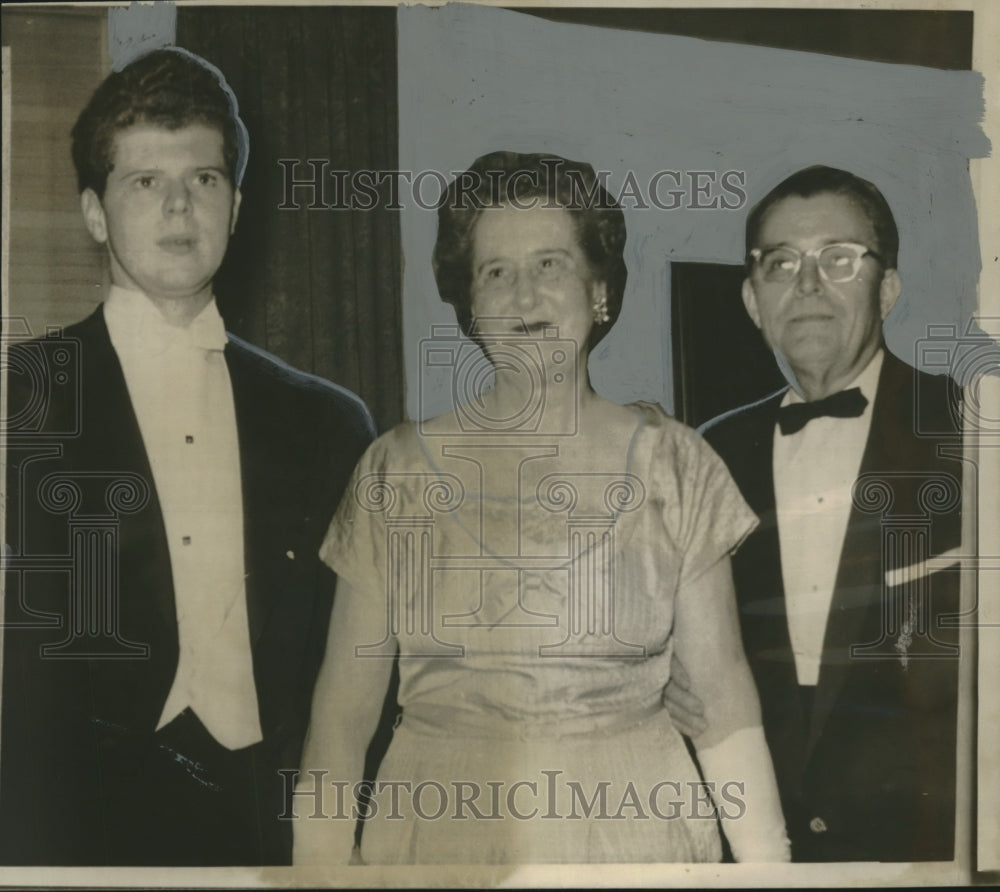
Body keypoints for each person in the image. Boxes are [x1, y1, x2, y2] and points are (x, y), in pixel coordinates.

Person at [292, 152, 789, 865]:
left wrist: (771, 873)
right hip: (436, 836)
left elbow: (724, 706)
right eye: (496, 272)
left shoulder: (676, 467)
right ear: (470, 304)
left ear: (598, 292)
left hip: (635, 834)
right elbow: (340, 721)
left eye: (551, 264)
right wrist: (314, 877)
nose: (524, 297)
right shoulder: (394, 472)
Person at [0, 48, 374, 866]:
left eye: (203, 180)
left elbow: (351, 678)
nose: (179, 206)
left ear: (236, 205)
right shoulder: (15, 402)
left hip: (270, 840)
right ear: (95, 212)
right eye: (145, 182)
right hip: (63, 842)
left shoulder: (329, 422)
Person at [669, 165, 963, 861]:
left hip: (933, 842)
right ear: (752, 299)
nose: (806, 286)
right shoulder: (709, 453)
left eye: (838, 259)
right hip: (766, 840)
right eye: (780, 264)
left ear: (886, 287)